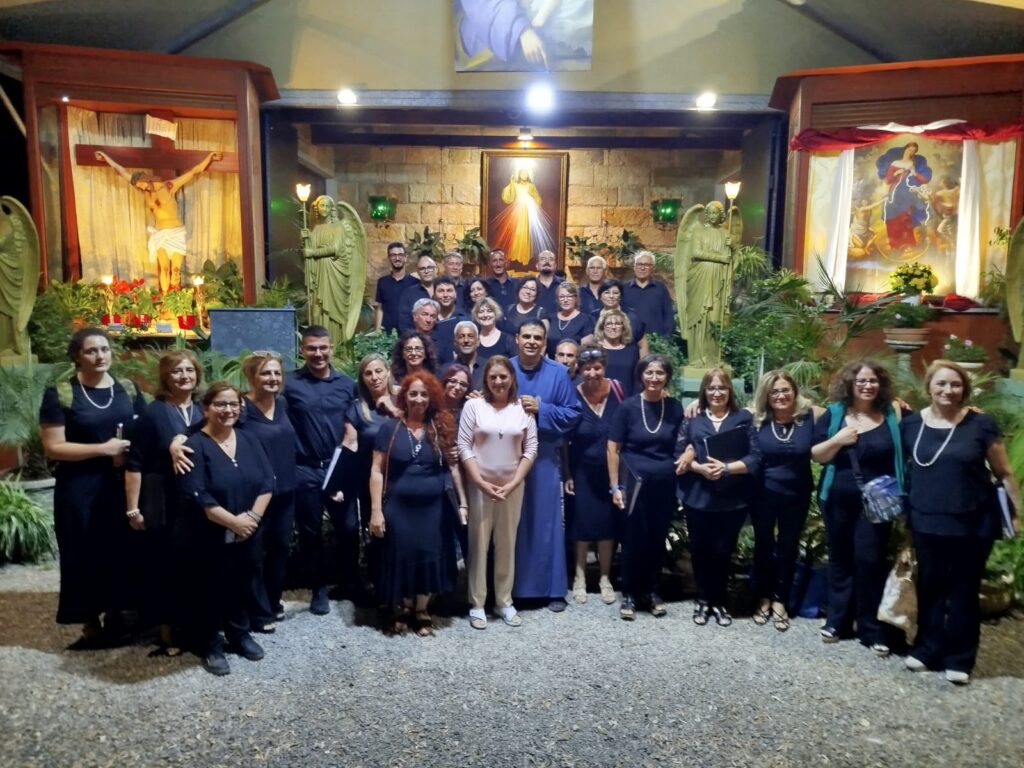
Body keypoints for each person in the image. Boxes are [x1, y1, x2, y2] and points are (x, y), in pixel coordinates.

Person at [901, 361, 1021, 685]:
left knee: (964, 591)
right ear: (929, 387)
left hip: (973, 522)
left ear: (964, 389)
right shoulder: (911, 424)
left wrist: (1016, 514)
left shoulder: (980, 424)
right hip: (926, 520)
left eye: (955, 384)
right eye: (941, 383)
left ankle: (959, 658)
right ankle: (927, 649)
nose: (948, 390)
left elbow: (1005, 472)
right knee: (930, 587)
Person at [40, 328, 143, 648]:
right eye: (91, 351)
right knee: (82, 552)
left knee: (118, 550)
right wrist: (104, 449)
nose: (100, 356)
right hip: (79, 488)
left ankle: (117, 614)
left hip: (119, 484)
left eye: (104, 349)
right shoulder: (61, 394)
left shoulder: (127, 388)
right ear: (77, 356)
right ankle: (88, 621)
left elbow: (144, 430)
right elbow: (54, 448)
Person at [178, 383, 275, 676]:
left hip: (249, 530)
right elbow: (198, 495)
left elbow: (267, 482)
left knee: (242, 582)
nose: (228, 410)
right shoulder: (194, 445)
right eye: (220, 404)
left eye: (233, 404)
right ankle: (210, 644)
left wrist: (251, 519)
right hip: (210, 533)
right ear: (206, 409)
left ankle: (239, 634)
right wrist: (234, 522)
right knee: (210, 587)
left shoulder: (248, 438)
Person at [811, 360, 904, 656]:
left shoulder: (892, 414)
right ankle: (837, 621)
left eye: (873, 380)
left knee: (869, 559)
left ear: (881, 384)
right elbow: (817, 455)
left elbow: (931, 421)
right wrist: (838, 440)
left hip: (878, 503)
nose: (867, 385)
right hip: (837, 498)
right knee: (840, 558)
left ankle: (870, 627)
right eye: (861, 380)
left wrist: (970, 413)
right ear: (850, 384)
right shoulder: (835, 414)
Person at [368, 372, 468, 636]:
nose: (419, 399)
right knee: (402, 554)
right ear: (404, 396)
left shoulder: (440, 426)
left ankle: (422, 609)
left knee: (429, 555)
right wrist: (376, 511)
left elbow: (453, 467)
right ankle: (404, 606)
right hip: (398, 508)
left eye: (424, 394)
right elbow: (376, 470)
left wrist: (463, 504)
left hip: (433, 509)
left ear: (432, 397)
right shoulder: (390, 429)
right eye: (413, 394)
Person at [124, 349, 204, 650]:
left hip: (198, 495)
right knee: (168, 563)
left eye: (189, 370)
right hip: (163, 497)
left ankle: (198, 622)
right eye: (177, 371)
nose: (184, 376)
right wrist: (133, 509)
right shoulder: (153, 413)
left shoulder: (204, 409)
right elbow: (135, 463)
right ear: (165, 377)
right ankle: (169, 628)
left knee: (197, 562)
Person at [458, 355, 538, 629]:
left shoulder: (523, 409)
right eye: (493, 377)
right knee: (478, 545)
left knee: (506, 544)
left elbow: (531, 449)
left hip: (512, 487)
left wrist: (513, 483)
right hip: (480, 486)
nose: (498, 381)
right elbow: (464, 446)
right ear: (486, 379)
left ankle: (504, 601)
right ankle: (477, 603)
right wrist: (480, 482)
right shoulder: (474, 406)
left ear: (512, 378)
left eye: (503, 376)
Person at [675, 367, 759, 627]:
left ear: (730, 391)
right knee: (700, 550)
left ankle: (719, 601)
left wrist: (726, 468)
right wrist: (699, 468)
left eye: (722, 387)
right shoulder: (693, 419)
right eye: (711, 388)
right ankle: (702, 600)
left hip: (732, 499)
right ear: (704, 391)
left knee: (724, 551)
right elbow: (678, 453)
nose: (717, 392)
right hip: (698, 497)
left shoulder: (743, 418)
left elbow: (756, 457)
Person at [284, 325, 358, 616]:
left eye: (323, 348)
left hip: (338, 468)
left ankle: (350, 582)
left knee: (348, 527)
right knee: (310, 532)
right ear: (303, 350)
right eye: (311, 348)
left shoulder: (346, 384)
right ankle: (318, 589)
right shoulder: (290, 383)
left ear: (331, 349)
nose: (318, 353)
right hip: (306, 469)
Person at [510, 319, 582, 610]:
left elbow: (573, 413)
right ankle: (512, 589)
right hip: (508, 459)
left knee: (546, 523)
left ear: (544, 342)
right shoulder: (504, 368)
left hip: (544, 459)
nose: (531, 341)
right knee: (513, 524)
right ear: (516, 338)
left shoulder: (558, 373)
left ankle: (552, 589)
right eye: (526, 336)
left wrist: (543, 408)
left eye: (537, 337)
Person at [606, 355, 684, 619]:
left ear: (667, 377)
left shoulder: (674, 407)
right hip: (633, 485)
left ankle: (652, 592)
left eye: (660, 373)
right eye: (649, 372)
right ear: (641, 376)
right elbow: (612, 449)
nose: (654, 378)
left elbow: (686, 438)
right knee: (632, 540)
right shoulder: (627, 407)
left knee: (656, 539)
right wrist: (614, 487)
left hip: (664, 485)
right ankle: (629, 594)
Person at [748, 370, 820, 632]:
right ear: (766, 395)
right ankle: (763, 598)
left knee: (788, 548)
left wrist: (894, 403)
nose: (780, 395)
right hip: (763, 494)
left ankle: (780, 600)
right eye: (774, 391)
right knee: (764, 547)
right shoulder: (756, 418)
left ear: (794, 391)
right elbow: (722, 407)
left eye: (785, 390)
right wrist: (696, 403)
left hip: (797, 495)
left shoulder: (810, 416)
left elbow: (844, 410)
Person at [94, 149, 219, 292]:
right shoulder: (146, 193)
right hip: (160, 233)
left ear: (146, 178)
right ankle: (165, 298)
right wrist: (105, 157)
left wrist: (210, 157)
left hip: (176, 232)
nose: (142, 188)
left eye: (142, 184)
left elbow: (194, 172)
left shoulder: (168, 186)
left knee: (175, 270)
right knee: (164, 269)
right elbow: (121, 171)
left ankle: (177, 298)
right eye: (139, 187)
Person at [238, 351, 298, 633]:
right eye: (265, 373)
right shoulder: (241, 408)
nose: (272, 378)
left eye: (276, 373)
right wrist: (178, 440)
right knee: (253, 554)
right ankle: (257, 611)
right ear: (252, 377)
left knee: (279, 550)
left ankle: (272, 602)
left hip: (285, 492)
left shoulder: (283, 404)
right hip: (254, 495)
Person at [566, 346, 625, 605]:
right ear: (579, 369)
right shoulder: (572, 393)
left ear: (605, 367)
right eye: (587, 368)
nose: (592, 373)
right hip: (581, 469)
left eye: (597, 367)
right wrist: (567, 472)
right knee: (580, 522)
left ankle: (604, 577)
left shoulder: (618, 390)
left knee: (608, 523)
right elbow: (564, 439)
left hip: (612, 471)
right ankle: (579, 577)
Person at [344, 354, 402, 594]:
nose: (374, 377)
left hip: (403, 481)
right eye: (368, 373)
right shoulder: (357, 409)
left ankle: (406, 591)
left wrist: (393, 408)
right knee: (377, 535)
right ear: (362, 379)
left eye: (379, 371)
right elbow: (349, 445)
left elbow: (419, 428)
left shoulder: (405, 399)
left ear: (388, 372)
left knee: (403, 536)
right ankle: (382, 592)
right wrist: (336, 483)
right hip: (370, 484)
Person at [300, 194, 368, 343]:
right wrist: (306, 239)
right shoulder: (316, 228)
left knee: (333, 312)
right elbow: (308, 250)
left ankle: (336, 347)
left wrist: (312, 252)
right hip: (319, 272)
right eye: (321, 205)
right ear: (317, 208)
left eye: (327, 206)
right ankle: (318, 344)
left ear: (332, 209)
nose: (324, 209)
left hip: (334, 272)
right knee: (317, 310)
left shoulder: (338, 227)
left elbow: (335, 249)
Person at [676, 201, 735, 367]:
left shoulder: (725, 234)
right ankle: (697, 357)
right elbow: (695, 253)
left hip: (718, 280)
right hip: (700, 277)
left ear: (721, 215)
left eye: (716, 213)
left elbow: (732, 260)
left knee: (715, 318)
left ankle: (713, 357)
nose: (713, 216)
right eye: (710, 213)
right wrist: (720, 258)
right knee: (700, 317)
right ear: (706, 215)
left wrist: (733, 247)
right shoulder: (698, 232)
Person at [492, 167, 556, 269]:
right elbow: (508, 198)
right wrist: (511, 184)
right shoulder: (515, 185)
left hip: (528, 213)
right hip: (517, 212)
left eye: (526, 173)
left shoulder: (531, 186)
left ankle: (524, 258)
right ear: (518, 174)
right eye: (522, 173)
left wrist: (532, 199)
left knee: (526, 234)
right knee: (516, 234)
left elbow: (537, 199)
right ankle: (516, 257)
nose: (524, 175)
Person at [877, 142, 933, 252]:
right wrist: (897, 172)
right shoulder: (895, 163)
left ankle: (908, 243)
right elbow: (888, 180)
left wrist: (914, 172)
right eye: (909, 150)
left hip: (907, 195)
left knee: (905, 219)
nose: (910, 152)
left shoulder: (912, 164)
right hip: (894, 193)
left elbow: (924, 180)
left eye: (913, 151)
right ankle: (894, 244)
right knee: (891, 217)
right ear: (905, 149)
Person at [622, 250, 675, 338]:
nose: (642, 268)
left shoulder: (660, 288)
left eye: (646, 265)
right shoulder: (624, 288)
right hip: (630, 340)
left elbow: (668, 314)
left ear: (653, 268)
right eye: (639, 264)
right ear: (634, 267)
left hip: (657, 340)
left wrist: (666, 336)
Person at [590, 279, 648, 357]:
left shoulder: (632, 317)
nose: (611, 296)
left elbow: (642, 345)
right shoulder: (592, 317)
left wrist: (644, 363)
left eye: (615, 293)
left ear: (620, 296)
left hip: (628, 359)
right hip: (600, 360)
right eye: (607, 292)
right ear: (600, 295)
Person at [593, 309, 640, 396]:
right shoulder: (595, 350)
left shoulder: (632, 351)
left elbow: (636, 380)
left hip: (627, 399)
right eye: (609, 324)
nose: (613, 327)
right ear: (602, 327)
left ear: (624, 327)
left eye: (618, 324)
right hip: (599, 399)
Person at [374, 242, 418, 334]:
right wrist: (377, 332)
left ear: (405, 257)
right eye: (393, 255)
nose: (397, 258)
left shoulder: (415, 283)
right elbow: (380, 308)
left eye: (400, 255)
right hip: (387, 335)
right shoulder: (382, 282)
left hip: (409, 334)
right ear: (389, 258)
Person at [546, 281, 593, 357]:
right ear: (557, 299)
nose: (565, 300)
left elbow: (585, 351)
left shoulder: (585, 319)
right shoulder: (550, 318)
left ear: (576, 298)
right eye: (562, 297)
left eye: (569, 296)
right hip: (551, 362)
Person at [398, 256, 438, 332]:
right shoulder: (409, 293)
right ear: (418, 272)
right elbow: (404, 322)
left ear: (435, 269)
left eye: (429, 267)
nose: (426, 271)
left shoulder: (444, 291)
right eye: (422, 268)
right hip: (417, 337)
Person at [472, 296, 516, 364]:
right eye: (481, 312)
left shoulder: (508, 341)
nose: (485, 315)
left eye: (489, 311)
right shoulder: (472, 340)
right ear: (476, 316)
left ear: (495, 314)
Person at [432, 276, 466, 363]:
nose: (445, 295)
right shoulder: (429, 319)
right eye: (441, 291)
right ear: (434, 294)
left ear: (455, 294)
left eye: (449, 290)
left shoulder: (465, 319)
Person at [452, 320, 485, 389]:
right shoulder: (446, 369)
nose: (466, 340)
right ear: (455, 342)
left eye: (470, 336)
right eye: (461, 337)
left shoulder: (488, 367)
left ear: (478, 341)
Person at [534, 249, 563, 317]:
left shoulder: (564, 285)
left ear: (555, 266)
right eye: (543, 259)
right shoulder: (531, 286)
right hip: (536, 323)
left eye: (551, 259)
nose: (547, 262)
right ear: (537, 266)